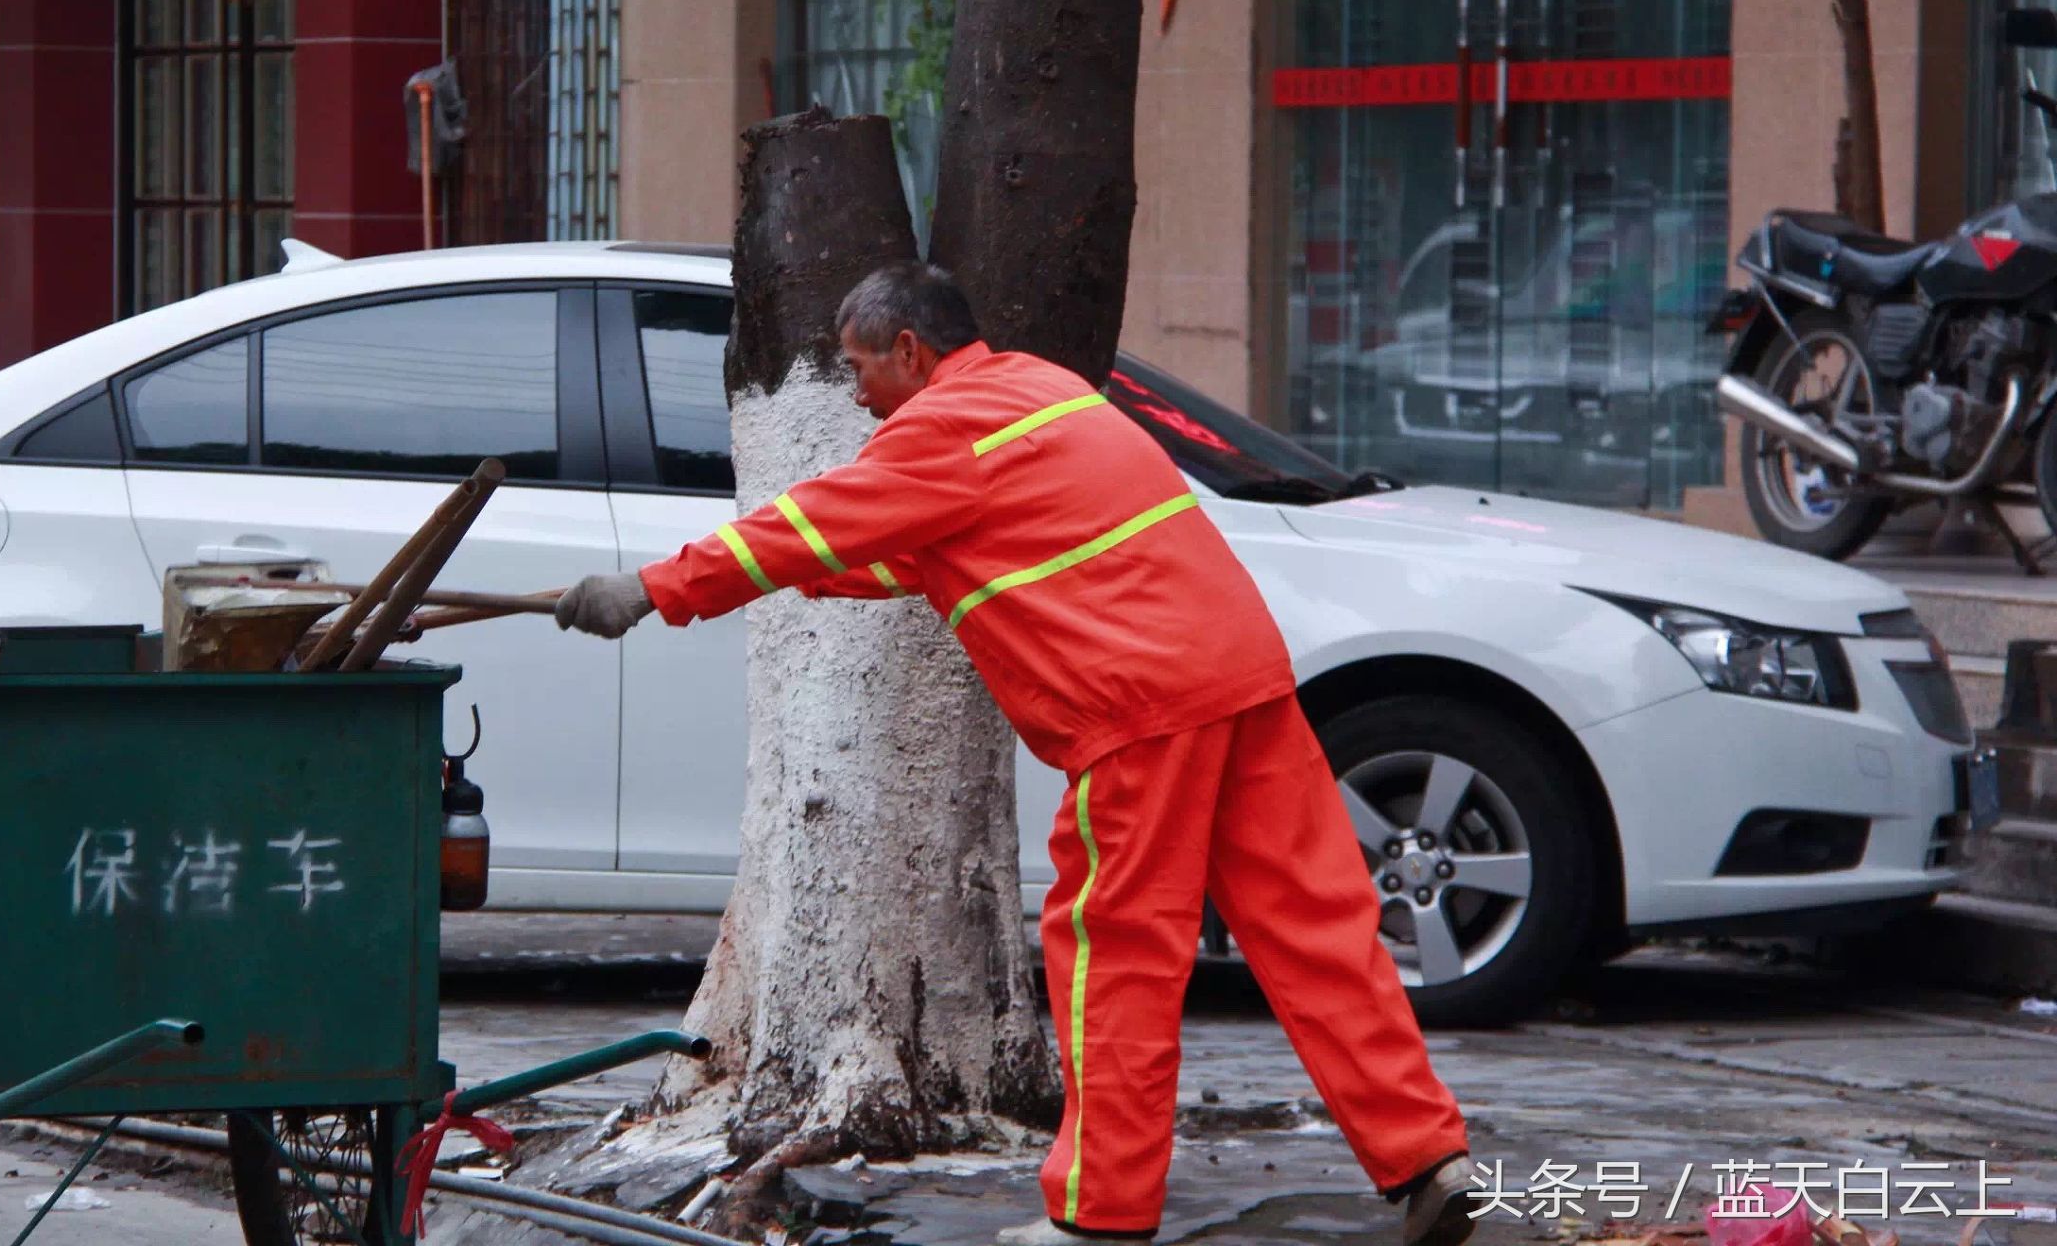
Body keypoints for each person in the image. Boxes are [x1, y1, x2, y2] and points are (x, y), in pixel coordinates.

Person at [553, 263, 1479, 1246]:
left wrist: (654, 590)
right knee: (1315, 929)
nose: (858, 396)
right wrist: (799, 577)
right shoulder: (1038, 392)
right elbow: (929, 548)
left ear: (909, 350)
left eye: (859, 368)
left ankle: (1101, 1215)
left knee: (1115, 953)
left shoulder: (941, 428)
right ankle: (1427, 1156)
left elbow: (817, 521)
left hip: (1139, 709)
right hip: (1239, 678)